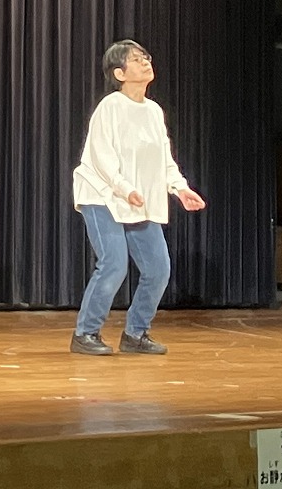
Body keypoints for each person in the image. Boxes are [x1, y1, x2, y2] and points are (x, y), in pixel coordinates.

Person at [70, 39, 206, 356]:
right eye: (136, 59)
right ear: (119, 73)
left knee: (158, 268)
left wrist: (179, 188)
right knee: (114, 264)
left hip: (136, 199)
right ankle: (85, 333)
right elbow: (101, 157)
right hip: (102, 193)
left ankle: (136, 333)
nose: (146, 61)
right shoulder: (110, 107)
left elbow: (163, 158)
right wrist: (124, 188)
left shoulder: (153, 111)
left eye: (146, 56)